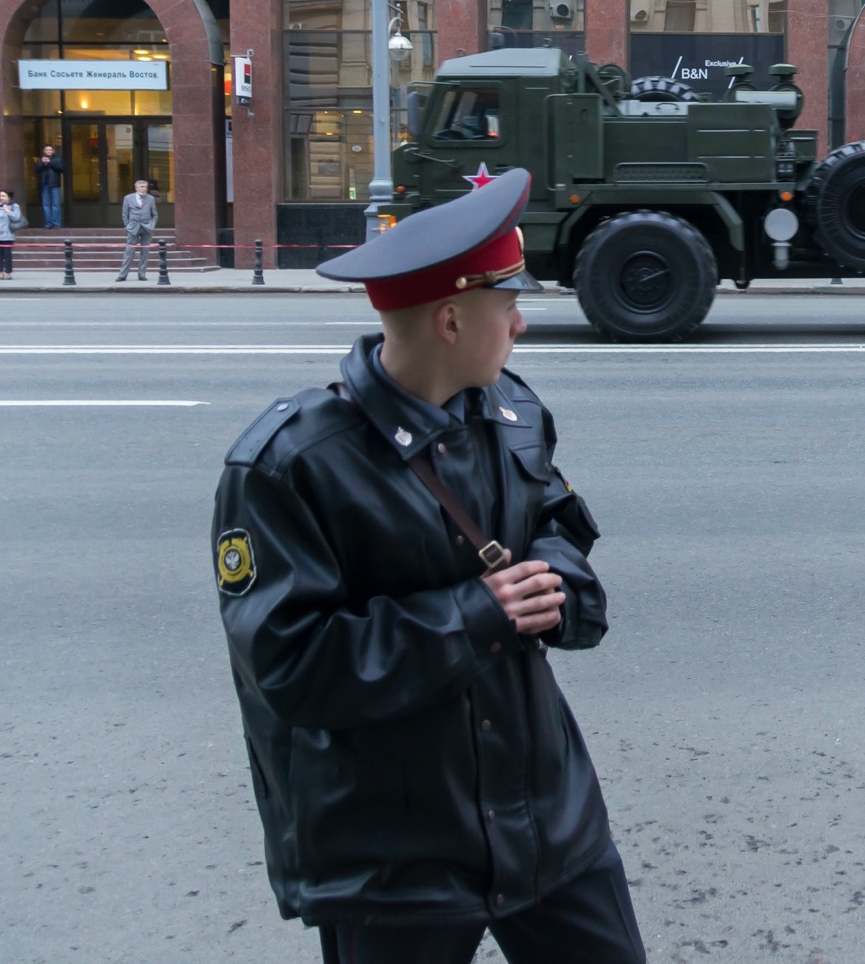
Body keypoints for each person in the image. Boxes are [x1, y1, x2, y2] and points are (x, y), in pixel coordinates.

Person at [211, 168, 644, 964]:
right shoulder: (291, 464)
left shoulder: (513, 411)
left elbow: (557, 525)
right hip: (395, 862)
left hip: (548, 821)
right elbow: (290, 666)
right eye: (507, 306)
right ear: (450, 320)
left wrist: (556, 588)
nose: (521, 325)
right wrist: (480, 612)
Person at [116, 178, 157, 281]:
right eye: (142, 187)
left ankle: (142, 274)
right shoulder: (128, 198)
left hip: (147, 228)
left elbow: (154, 214)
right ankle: (122, 275)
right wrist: (127, 226)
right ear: (136, 188)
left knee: (145, 252)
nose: (144, 189)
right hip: (133, 228)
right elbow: (125, 214)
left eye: (145, 187)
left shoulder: (151, 198)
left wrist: (152, 225)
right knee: (129, 251)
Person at [0, 189, 23, 280]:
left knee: (7, 254)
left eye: (3, 196)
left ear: (9, 197)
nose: (1, 198)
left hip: (8, 235)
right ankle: (0, 272)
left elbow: (17, 218)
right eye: (0, 196)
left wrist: (8, 211)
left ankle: (8, 272)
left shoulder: (15, 206)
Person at [36, 145, 65, 229]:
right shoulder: (40, 160)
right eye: (47, 150)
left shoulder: (57, 159)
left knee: (55, 205)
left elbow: (61, 169)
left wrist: (50, 162)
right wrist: (43, 164)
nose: (48, 151)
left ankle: (56, 223)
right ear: (44, 151)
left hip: (55, 184)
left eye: (50, 149)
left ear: (53, 151)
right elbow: (37, 170)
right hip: (44, 184)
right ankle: (48, 223)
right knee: (46, 205)